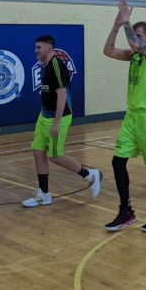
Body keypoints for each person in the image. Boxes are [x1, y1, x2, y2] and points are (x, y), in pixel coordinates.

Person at [102, 1, 146, 233]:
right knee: (117, 161)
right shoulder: (134, 56)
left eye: (140, 35)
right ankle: (126, 211)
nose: (135, 39)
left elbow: (133, 42)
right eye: (135, 35)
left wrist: (126, 21)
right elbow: (108, 51)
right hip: (131, 117)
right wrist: (116, 24)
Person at [22, 35, 102, 207]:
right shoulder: (45, 65)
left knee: (55, 156)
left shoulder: (57, 66)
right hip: (44, 116)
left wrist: (56, 123)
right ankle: (44, 194)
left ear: (48, 49)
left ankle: (90, 175)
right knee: (38, 152)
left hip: (58, 118)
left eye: (38, 47)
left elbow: (62, 95)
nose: (35, 50)